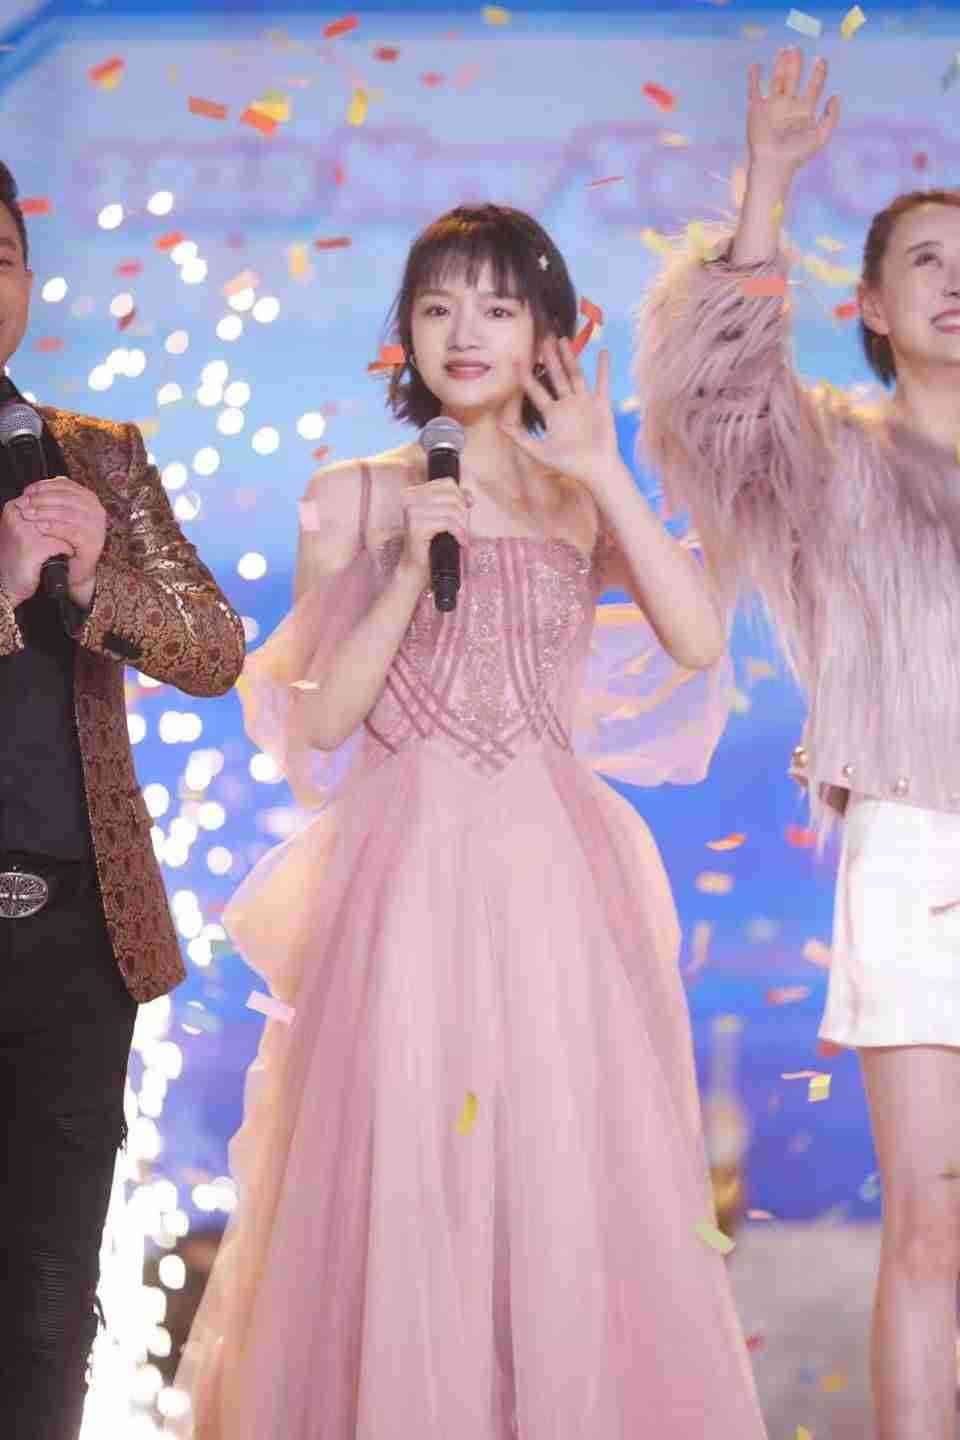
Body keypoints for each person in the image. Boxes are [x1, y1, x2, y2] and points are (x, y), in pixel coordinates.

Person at [168, 202, 768, 1440]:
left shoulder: (575, 500)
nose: (466, 332)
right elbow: (323, 722)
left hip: (555, 878)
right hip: (406, 876)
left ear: (550, 334)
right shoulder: (352, 495)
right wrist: (401, 572)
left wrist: (603, 467)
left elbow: (698, 636)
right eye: (438, 306)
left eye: (498, 306)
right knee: (409, 1175)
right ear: (405, 333)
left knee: (557, 1175)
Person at [635, 45, 960, 1440]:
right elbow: (715, 399)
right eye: (928, 261)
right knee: (933, 1231)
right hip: (916, 841)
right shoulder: (832, 457)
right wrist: (767, 178)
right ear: (870, 305)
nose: (956, 281)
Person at [0, 160, 246, 1440]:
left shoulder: (95, 455)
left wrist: (100, 581)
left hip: (79, 930)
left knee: (50, 1298)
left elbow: (215, 648)